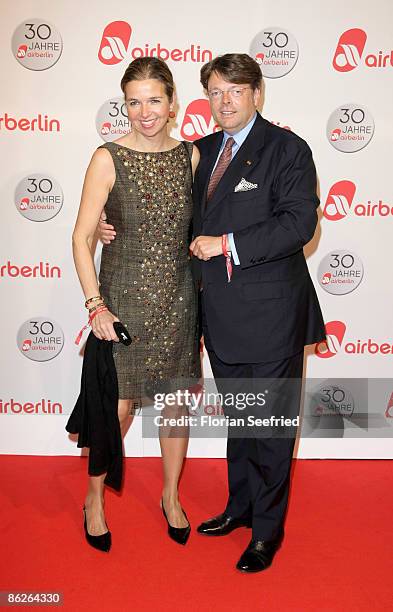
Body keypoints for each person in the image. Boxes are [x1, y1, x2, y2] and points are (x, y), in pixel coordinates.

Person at [99, 53, 325, 572]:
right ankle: (240, 508)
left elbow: (298, 226)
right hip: (218, 318)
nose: (225, 101)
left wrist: (226, 244)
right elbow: (162, 213)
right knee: (242, 422)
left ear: (257, 94)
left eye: (235, 91)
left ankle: (267, 532)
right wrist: (114, 228)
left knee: (270, 426)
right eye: (216, 92)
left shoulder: (287, 149)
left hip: (272, 318)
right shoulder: (197, 153)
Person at [69, 56, 201, 551]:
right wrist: (95, 306)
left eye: (154, 100)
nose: (144, 112)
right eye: (133, 101)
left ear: (172, 104)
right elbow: (82, 238)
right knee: (118, 408)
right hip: (121, 299)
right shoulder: (108, 157)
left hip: (179, 299)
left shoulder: (190, 157)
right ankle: (94, 498)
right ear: (123, 104)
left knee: (175, 406)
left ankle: (170, 496)